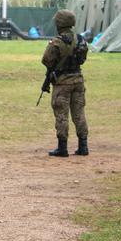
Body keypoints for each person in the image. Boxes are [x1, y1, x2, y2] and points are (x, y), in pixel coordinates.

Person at [41, 9, 89, 157]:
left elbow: (46, 60)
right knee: (79, 113)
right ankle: (83, 146)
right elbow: (82, 58)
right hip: (78, 80)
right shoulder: (80, 39)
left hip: (62, 83)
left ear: (59, 23)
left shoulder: (56, 42)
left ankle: (62, 148)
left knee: (61, 114)